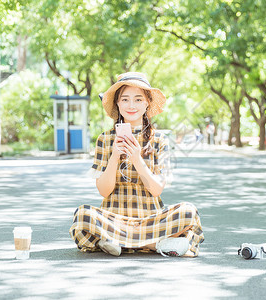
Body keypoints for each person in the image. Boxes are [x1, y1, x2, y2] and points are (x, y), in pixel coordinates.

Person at [69, 72, 204, 257]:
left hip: (151, 221)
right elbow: (103, 191)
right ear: (117, 103)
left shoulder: (159, 140)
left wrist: (136, 158)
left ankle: (116, 244)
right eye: (125, 99)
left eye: (138, 99)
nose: (131, 105)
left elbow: (157, 190)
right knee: (82, 215)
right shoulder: (105, 139)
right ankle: (155, 245)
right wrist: (115, 156)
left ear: (147, 102)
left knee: (188, 212)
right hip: (114, 221)